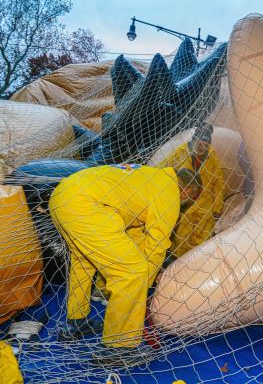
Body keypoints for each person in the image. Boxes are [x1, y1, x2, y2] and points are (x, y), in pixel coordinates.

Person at [48, 163, 201, 354]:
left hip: (63, 195)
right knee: (132, 273)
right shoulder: (169, 191)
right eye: (188, 200)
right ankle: (119, 347)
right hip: (86, 205)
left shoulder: (149, 177)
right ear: (186, 190)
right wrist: (144, 288)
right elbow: (157, 245)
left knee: (83, 263)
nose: (184, 204)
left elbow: (137, 236)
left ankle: (76, 321)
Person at [161, 124, 225, 260]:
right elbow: (165, 167)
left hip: (204, 205)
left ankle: (197, 263)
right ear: (194, 139)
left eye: (205, 143)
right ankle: (176, 263)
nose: (202, 146)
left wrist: (217, 207)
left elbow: (218, 183)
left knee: (202, 239)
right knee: (180, 237)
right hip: (184, 202)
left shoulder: (212, 157)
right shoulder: (182, 152)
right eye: (199, 142)